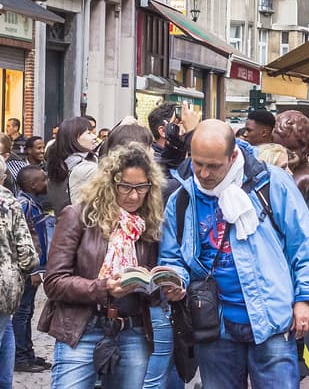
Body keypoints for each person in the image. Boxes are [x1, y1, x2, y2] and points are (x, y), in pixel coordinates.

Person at [159, 120, 309, 389]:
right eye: (197, 164)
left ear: (233, 156)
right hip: (214, 327)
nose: (203, 174)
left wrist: (306, 298)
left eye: (213, 166)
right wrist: (174, 280)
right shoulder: (182, 198)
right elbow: (172, 257)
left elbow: (308, 245)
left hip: (272, 324)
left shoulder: (272, 183)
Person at [40, 144, 179, 389]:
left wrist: (166, 286)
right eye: (125, 187)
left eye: (142, 187)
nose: (134, 196)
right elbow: (54, 282)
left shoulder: (150, 224)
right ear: (110, 184)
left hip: (132, 329)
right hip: (82, 328)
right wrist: (104, 287)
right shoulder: (78, 216)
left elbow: (156, 280)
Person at [13, 166, 53, 373]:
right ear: (32, 185)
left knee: (27, 313)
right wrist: (33, 270)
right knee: (22, 312)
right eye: (42, 180)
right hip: (29, 268)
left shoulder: (33, 204)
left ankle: (28, 353)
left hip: (36, 267)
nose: (46, 183)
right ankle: (20, 357)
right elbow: (23, 239)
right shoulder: (23, 205)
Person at [0, 171, 37, 388]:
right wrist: (17, 272)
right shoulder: (9, 202)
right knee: (6, 329)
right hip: (5, 284)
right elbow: (28, 254)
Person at [46, 117, 98, 213]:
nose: (94, 137)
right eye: (89, 133)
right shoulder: (84, 169)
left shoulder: (59, 162)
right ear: (74, 138)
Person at [272, 111, 309, 200]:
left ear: (307, 146)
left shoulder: (307, 177)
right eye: (278, 147)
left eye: (290, 148)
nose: (284, 154)